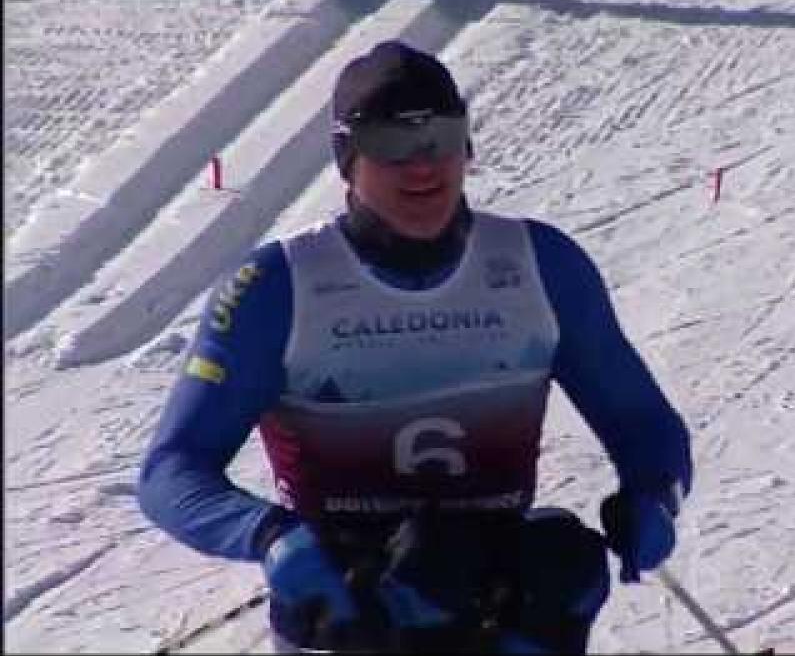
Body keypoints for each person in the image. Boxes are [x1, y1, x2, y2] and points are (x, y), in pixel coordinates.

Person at [137, 39, 693, 654]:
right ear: (348, 158)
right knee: (424, 573)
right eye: (391, 145)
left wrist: (654, 497)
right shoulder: (278, 286)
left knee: (562, 564)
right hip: (353, 598)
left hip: (498, 591)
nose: (422, 166)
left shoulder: (541, 265)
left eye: (441, 139)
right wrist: (270, 535)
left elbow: (642, 423)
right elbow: (172, 470)